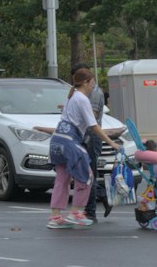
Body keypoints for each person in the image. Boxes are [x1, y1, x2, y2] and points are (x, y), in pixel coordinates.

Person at [48, 67, 118, 229]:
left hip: (57, 140)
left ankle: (55, 217)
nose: (94, 85)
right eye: (92, 81)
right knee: (87, 176)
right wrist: (112, 142)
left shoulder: (71, 97)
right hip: (70, 141)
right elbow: (93, 126)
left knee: (62, 179)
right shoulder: (82, 99)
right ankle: (76, 213)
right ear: (86, 82)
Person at [72, 63, 112, 221]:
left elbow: (92, 117)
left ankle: (91, 211)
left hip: (91, 137)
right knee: (83, 173)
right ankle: (103, 196)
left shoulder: (94, 93)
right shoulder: (80, 92)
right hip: (82, 136)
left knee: (89, 173)